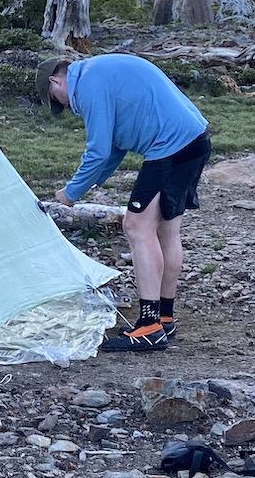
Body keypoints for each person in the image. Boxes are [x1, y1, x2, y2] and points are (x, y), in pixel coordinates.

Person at [42, 53, 211, 352]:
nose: (64, 107)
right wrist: (85, 187)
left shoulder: (90, 82)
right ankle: (164, 318)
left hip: (170, 145)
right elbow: (113, 149)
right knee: (166, 231)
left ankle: (148, 326)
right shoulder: (97, 73)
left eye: (57, 99)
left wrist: (68, 195)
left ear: (56, 80)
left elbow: (96, 151)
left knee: (136, 226)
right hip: (194, 139)